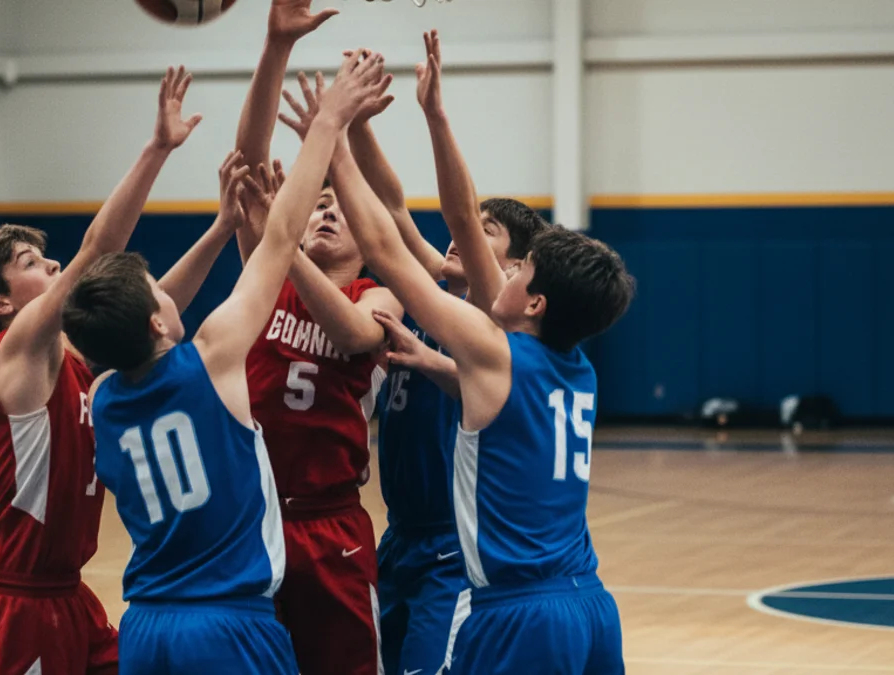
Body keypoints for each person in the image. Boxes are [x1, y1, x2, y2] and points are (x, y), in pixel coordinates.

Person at [62, 50, 385, 675]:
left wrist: (220, 227)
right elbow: (282, 232)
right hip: (228, 621)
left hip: (149, 622)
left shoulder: (101, 394)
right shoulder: (212, 358)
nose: (172, 289)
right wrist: (328, 125)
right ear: (159, 321)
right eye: (160, 290)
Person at [281, 32, 549, 675]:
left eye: (486, 233)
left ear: (512, 268)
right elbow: (392, 208)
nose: (461, 239)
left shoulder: (491, 317)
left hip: (454, 547)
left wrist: (430, 117)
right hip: (398, 534)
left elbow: (448, 216)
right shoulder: (425, 292)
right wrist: (352, 130)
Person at [326, 116, 636, 673]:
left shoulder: (493, 348)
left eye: (520, 272)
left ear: (535, 301)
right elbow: (506, 403)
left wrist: (331, 136)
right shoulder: (577, 369)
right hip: (588, 600)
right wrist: (440, 366)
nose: (505, 277)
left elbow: (385, 242)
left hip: (518, 607)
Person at [0, 65, 202, 675]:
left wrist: (221, 229)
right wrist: (157, 149)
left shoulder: (70, 353)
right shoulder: (16, 350)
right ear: (0, 305)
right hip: (15, 599)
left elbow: (158, 306)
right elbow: (96, 251)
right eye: (32, 260)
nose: (53, 261)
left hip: (66, 593)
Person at [233, 4, 402, 673]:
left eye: (339, 208)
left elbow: (358, 335)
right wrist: (275, 46)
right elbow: (248, 166)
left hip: (330, 520)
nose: (325, 210)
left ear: (371, 239)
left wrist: (281, 238)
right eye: (317, 206)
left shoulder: (378, 295)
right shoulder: (266, 279)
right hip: (253, 519)